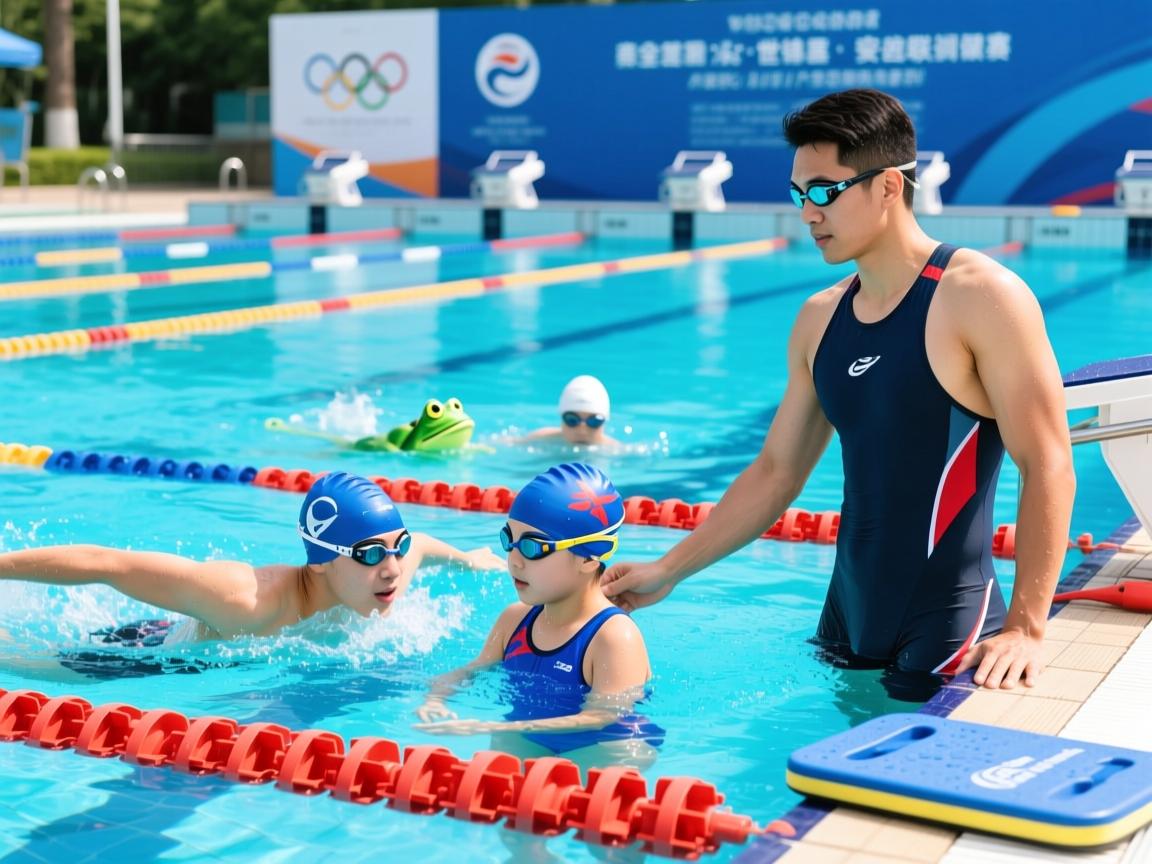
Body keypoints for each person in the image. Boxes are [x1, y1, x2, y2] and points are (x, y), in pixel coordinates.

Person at [601, 89, 1075, 693]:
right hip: (844, 619)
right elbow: (777, 471)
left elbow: (1049, 462)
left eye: (825, 191)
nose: (808, 213)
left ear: (888, 187)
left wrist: (1028, 628)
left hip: (949, 623)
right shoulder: (820, 318)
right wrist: (671, 569)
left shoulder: (981, 297)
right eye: (799, 194)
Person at [0, 471, 504, 643]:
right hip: (141, 659)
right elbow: (104, 563)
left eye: (397, 546)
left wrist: (467, 559)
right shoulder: (243, 599)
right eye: (373, 553)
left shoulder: (380, 575)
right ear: (323, 559)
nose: (393, 567)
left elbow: (421, 545)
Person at [415, 462, 661, 768]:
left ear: (587, 558)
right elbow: (473, 670)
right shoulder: (514, 620)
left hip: (608, 746)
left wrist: (500, 727)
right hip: (527, 734)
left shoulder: (613, 636)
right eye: (509, 540)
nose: (514, 561)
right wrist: (435, 699)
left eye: (533, 547)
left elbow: (602, 716)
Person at [517, 375, 620, 448]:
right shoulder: (540, 439)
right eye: (572, 420)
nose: (582, 430)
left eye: (593, 421)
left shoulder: (614, 450)